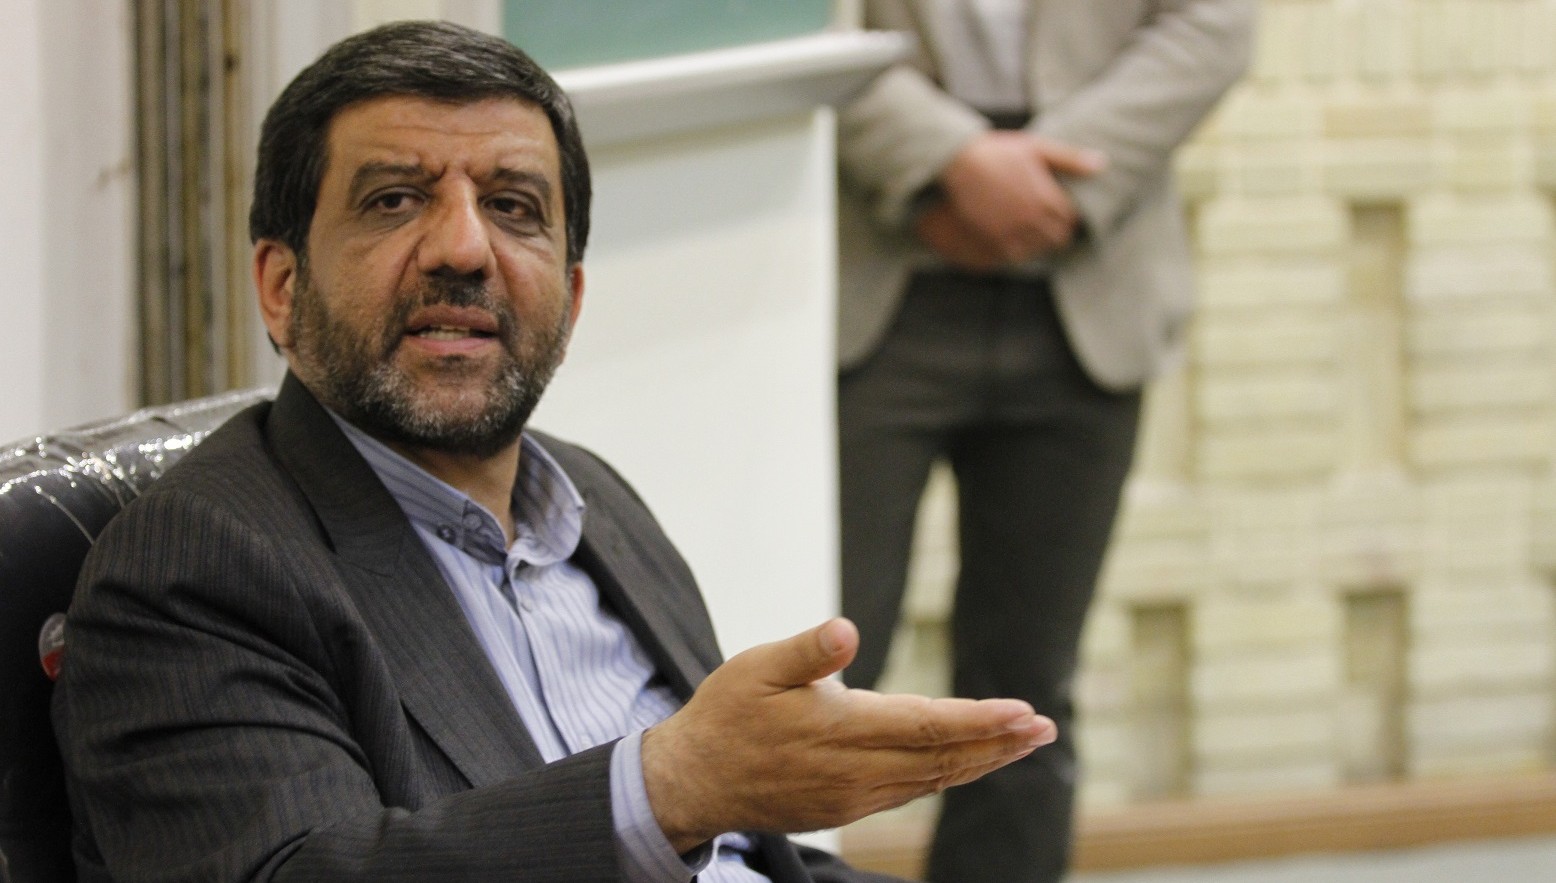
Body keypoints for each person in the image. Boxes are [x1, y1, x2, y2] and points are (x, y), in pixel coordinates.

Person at [51, 20, 1058, 883]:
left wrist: (698, 793)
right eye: (394, 199)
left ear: (569, 303)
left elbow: (734, 854)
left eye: (512, 207)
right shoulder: (194, 569)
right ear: (281, 288)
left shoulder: (593, 501)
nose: (462, 249)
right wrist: (672, 785)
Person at [835, 2, 1257, 881]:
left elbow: (1211, 22)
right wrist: (948, 162)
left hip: (1089, 281)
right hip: (874, 276)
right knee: (821, 668)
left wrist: (1049, 182)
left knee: (1025, 693)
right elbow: (793, 23)